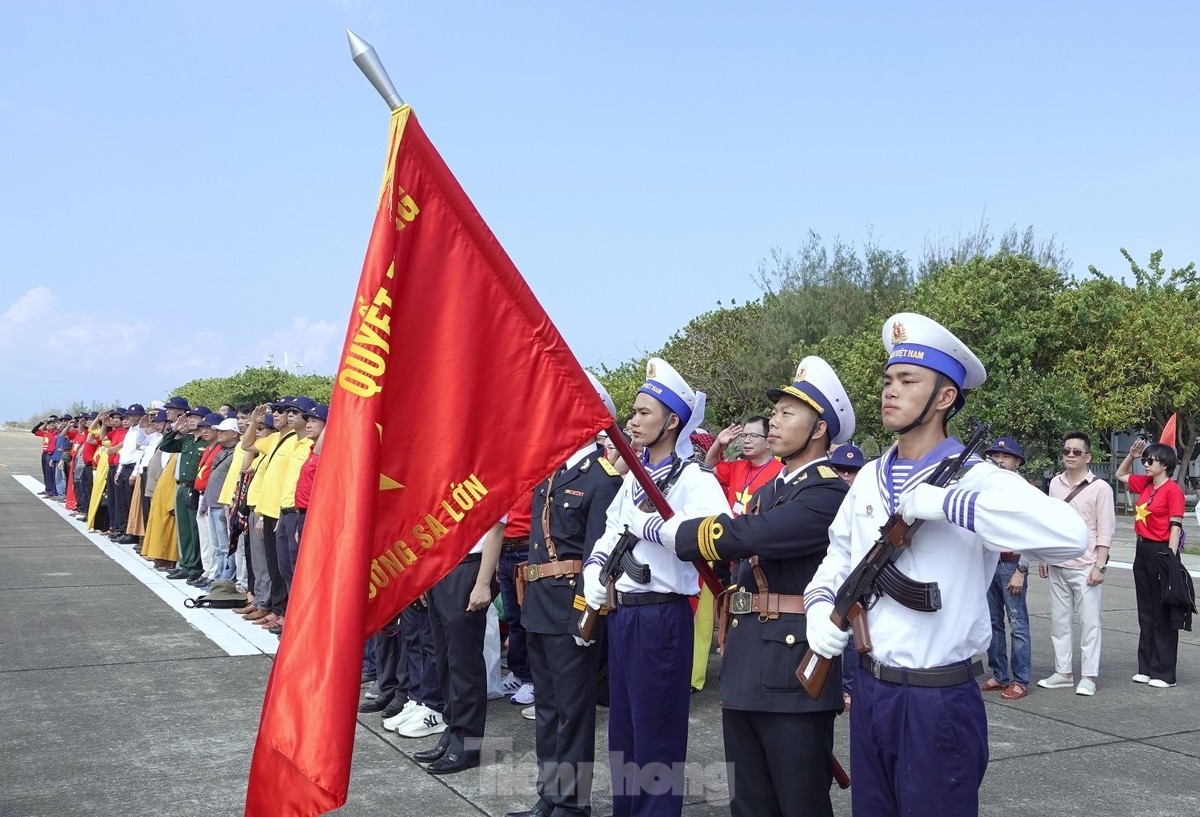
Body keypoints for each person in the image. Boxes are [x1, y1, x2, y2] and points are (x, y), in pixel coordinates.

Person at [804, 312, 1088, 817]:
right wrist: (820, 606)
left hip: (937, 702)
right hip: (871, 692)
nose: (890, 390)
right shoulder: (869, 475)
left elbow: (1071, 536)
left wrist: (950, 505)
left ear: (944, 397)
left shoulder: (977, 478)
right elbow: (839, 556)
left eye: (908, 380)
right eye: (888, 379)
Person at [639, 356, 855, 817]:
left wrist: (677, 532)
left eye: (788, 413)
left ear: (819, 429)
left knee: (800, 802)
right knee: (751, 802)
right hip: (748, 663)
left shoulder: (827, 492)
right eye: (774, 412)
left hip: (794, 667)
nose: (774, 420)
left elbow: (751, 537)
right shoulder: (767, 492)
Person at [581, 357, 728, 817]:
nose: (634, 420)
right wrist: (595, 570)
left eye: (645, 412)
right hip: (624, 613)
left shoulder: (693, 478)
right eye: (634, 411)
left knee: (656, 735)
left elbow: (717, 532)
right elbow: (609, 533)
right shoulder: (633, 481)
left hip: (661, 615)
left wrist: (650, 528)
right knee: (623, 733)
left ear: (671, 421)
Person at [505, 375, 623, 817]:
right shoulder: (549, 473)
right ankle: (549, 796)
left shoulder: (600, 479)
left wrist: (585, 615)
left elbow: (598, 557)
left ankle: (572, 805)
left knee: (573, 712)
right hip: (537, 604)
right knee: (549, 709)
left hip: (571, 610)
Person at [415, 521, 504, 775]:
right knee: (444, 661)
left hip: (468, 566)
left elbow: (496, 528)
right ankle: (453, 728)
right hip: (438, 567)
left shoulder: (481, 480)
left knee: (464, 664)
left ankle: (468, 744)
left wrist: (483, 582)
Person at [1036, 431, 1116, 697]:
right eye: (1066, 451)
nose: (1070, 455)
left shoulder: (1100, 488)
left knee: (1089, 623)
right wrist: (1046, 556)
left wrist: (1100, 565)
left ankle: (1089, 675)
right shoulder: (1055, 485)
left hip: (1086, 566)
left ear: (1088, 456)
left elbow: (1106, 530)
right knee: (1059, 622)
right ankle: (1063, 672)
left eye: (1076, 452)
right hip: (1058, 562)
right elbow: (1050, 524)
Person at [1117, 439, 1186, 688]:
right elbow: (1120, 474)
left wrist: (1169, 557)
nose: (1145, 464)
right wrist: (1132, 456)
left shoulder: (1173, 490)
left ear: (1165, 464)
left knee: (1162, 613)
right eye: (1144, 460)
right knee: (1146, 612)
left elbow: (1175, 526)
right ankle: (1145, 667)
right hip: (1141, 549)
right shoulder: (1146, 484)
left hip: (1161, 551)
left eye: (1150, 460)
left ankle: (1164, 673)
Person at [977, 436, 1033, 700]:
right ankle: (999, 674)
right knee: (992, 623)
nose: (998, 461)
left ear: (1017, 462)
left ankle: (1020, 679)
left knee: (1018, 624)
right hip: (989, 562)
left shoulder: (1024, 491)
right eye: (994, 457)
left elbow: (1033, 534)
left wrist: (1022, 570)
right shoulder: (985, 489)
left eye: (1005, 457)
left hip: (1011, 564)